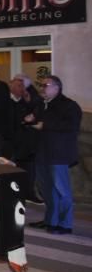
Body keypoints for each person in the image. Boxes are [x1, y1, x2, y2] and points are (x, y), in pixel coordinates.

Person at [27, 76, 81, 234]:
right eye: (41, 85)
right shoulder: (43, 105)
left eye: (46, 85)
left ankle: (65, 224)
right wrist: (31, 120)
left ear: (57, 88)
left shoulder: (69, 105)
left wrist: (45, 125)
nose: (42, 88)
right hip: (42, 153)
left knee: (61, 190)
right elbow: (38, 124)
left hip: (59, 154)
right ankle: (51, 220)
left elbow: (72, 127)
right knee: (47, 190)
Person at [9, 76, 39, 201]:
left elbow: (35, 111)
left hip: (26, 143)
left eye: (22, 86)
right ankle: (14, 194)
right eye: (18, 85)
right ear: (11, 86)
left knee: (29, 170)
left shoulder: (27, 101)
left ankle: (29, 193)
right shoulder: (6, 100)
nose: (20, 88)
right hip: (10, 141)